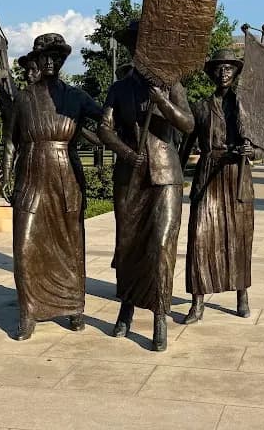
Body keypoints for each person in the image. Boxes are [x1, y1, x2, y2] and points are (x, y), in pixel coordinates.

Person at [97, 22, 194, 352]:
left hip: (166, 174)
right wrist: (125, 152)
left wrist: (163, 102)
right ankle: (126, 306)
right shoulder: (119, 88)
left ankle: (160, 315)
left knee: (162, 245)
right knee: (128, 245)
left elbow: (188, 123)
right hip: (130, 176)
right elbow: (105, 128)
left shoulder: (171, 84)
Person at [3, 33, 102, 340]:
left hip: (65, 173)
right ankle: (28, 311)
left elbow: (107, 121)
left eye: (56, 57)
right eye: (45, 56)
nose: (50, 62)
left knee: (70, 241)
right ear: (37, 59)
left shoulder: (76, 97)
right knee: (24, 243)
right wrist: (7, 176)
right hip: (31, 172)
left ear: (62, 61)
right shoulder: (23, 98)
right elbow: (10, 141)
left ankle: (73, 306)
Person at [180, 49, 255, 323]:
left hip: (237, 176)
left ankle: (242, 295)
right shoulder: (200, 108)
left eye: (229, 68)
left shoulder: (244, 107)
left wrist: (252, 150)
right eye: (219, 68)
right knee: (200, 237)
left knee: (239, 238)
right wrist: (174, 178)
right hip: (208, 174)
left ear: (235, 73)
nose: (223, 73)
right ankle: (197, 302)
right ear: (212, 73)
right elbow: (185, 147)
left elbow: (262, 148)